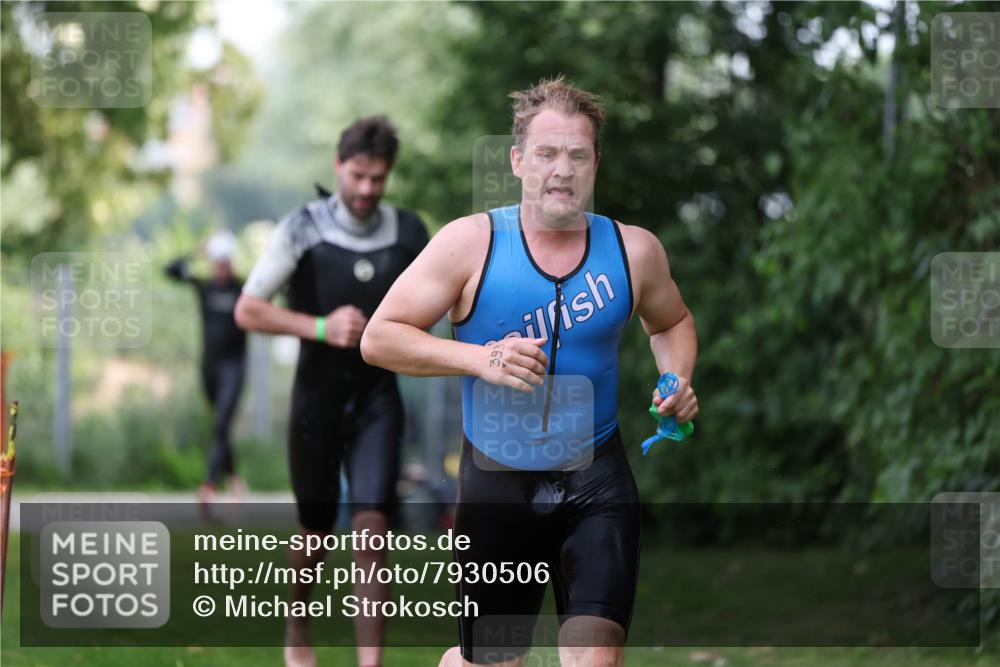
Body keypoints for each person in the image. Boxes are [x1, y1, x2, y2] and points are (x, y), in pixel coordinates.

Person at [360, 77, 699, 667]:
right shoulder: (469, 244)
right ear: (518, 161)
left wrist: (675, 379)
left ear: (596, 163)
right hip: (497, 482)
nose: (561, 170)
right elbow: (379, 338)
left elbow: (670, 323)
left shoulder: (633, 251)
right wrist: (479, 357)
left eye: (576, 155)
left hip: (597, 479)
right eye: (546, 154)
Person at [234, 115, 429, 667]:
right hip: (316, 398)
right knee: (316, 530)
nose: (368, 189)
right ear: (339, 166)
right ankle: (297, 625)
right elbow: (248, 309)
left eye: (379, 178)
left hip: (377, 401)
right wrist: (319, 327)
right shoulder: (304, 226)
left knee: (372, 531)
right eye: (358, 175)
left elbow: (446, 300)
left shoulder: (409, 232)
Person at [164, 230, 248, 505]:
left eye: (225, 263)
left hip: (234, 367)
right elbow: (170, 270)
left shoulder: (243, 288)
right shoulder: (204, 286)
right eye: (217, 263)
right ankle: (234, 477)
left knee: (222, 421)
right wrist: (196, 252)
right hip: (209, 368)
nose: (221, 268)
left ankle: (209, 484)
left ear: (231, 262)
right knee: (220, 426)